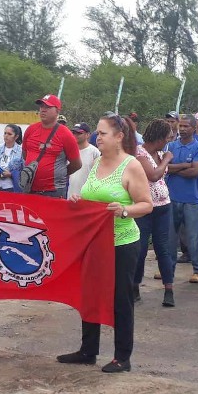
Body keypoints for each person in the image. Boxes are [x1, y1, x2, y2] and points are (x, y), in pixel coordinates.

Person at [58, 113, 152, 373]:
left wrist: (123, 210)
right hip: (94, 242)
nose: (96, 137)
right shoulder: (97, 161)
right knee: (89, 294)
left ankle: (122, 356)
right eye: (96, 133)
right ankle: (88, 350)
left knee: (121, 299)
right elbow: (92, 196)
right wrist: (79, 201)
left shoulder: (131, 165)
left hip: (121, 242)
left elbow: (146, 205)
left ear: (119, 137)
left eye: (102, 133)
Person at [133, 119, 176, 306]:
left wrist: (164, 157)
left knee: (163, 248)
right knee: (140, 249)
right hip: (144, 207)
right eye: (166, 137)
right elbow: (154, 175)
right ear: (158, 138)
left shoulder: (159, 153)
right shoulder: (139, 153)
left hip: (163, 207)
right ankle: (134, 286)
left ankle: (169, 289)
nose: (168, 141)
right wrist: (167, 158)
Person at [166, 114, 198, 283]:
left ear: (193, 128)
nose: (182, 129)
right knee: (169, 237)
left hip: (191, 199)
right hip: (172, 198)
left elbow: (195, 172)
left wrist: (175, 169)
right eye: (180, 126)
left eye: (185, 126)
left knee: (194, 236)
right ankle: (167, 268)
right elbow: (164, 168)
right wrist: (184, 165)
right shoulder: (171, 146)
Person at [22, 95, 81, 197]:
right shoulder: (31, 130)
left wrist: (59, 174)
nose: (43, 110)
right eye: (41, 106)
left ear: (57, 111)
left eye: (48, 107)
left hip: (54, 191)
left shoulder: (65, 134)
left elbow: (77, 164)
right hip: (30, 188)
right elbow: (25, 154)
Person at [67, 122, 101, 198]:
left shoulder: (95, 152)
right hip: (71, 196)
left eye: (79, 133)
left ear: (87, 135)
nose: (75, 135)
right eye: (74, 133)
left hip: (88, 197)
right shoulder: (69, 151)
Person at [0, 124, 24, 192]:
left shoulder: (21, 151)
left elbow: (24, 171)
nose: (6, 136)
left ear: (16, 136)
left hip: (14, 188)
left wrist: (11, 174)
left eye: (9, 134)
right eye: (5, 133)